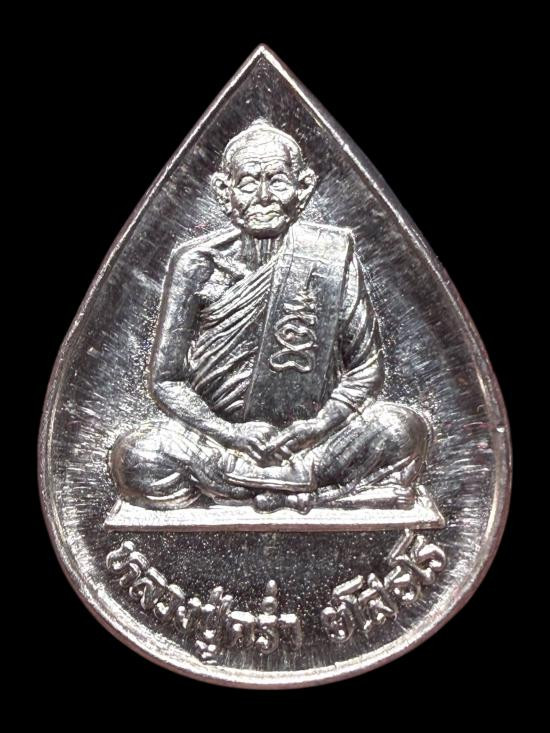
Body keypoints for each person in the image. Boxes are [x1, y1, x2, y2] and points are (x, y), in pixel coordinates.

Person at [110, 120, 429, 514]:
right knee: (136, 454)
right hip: (224, 446)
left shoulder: (329, 255)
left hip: (313, 445)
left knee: (400, 428)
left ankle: (270, 483)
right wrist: (230, 434)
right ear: (224, 192)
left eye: (277, 181)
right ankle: (301, 488)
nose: (263, 197)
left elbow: (365, 368)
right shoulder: (196, 264)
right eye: (247, 184)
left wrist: (317, 426)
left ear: (303, 188)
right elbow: (166, 380)